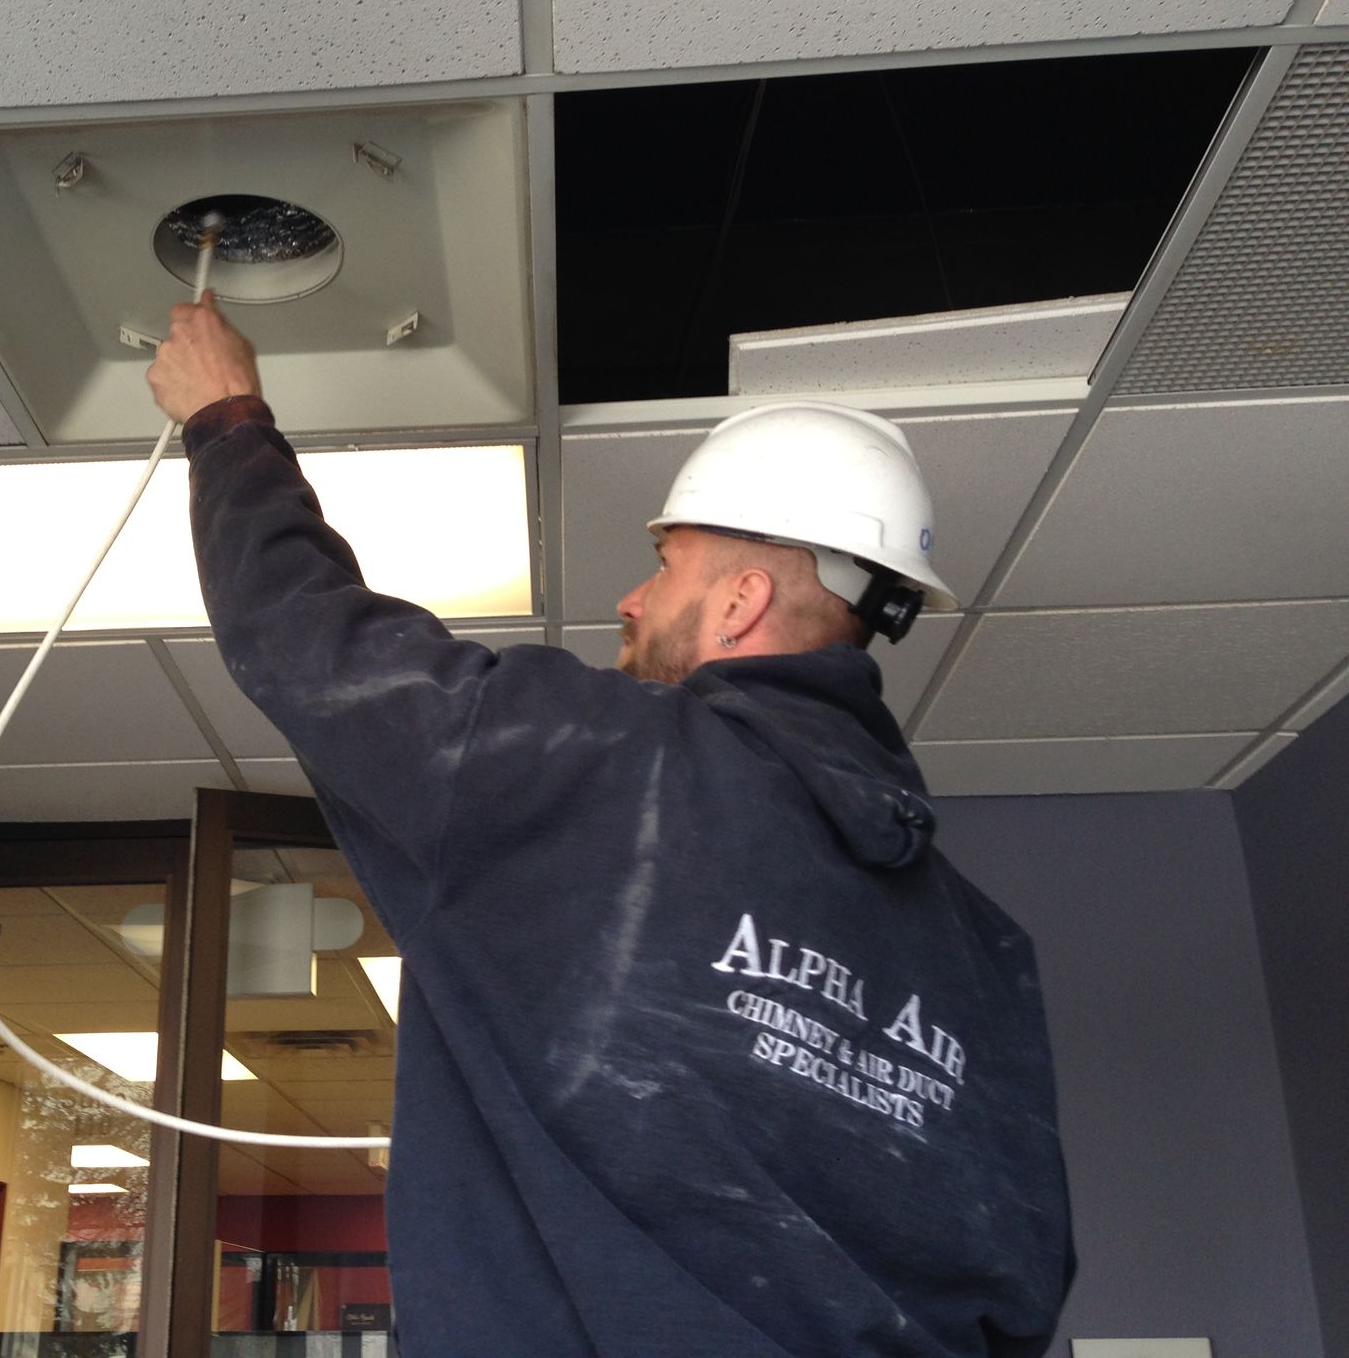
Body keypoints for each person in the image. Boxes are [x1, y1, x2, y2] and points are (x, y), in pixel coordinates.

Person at [146, 293, 1074, 1357]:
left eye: (668, 564)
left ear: (740, 602)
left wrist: (226, 421)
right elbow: (1024, 1281)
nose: (632, 600)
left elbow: (312, 645)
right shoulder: (987, 952)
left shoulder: (602, 760)